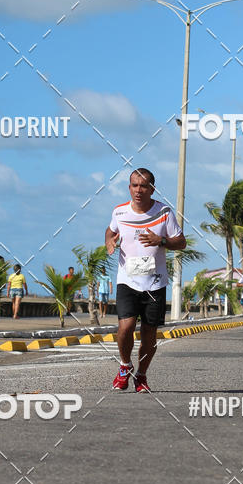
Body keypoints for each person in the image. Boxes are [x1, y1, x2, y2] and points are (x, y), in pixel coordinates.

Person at [105, 168, 186, 393]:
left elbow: (181, 242)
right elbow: (110, 232)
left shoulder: (164, 213)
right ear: (129, 187)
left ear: (152, 188)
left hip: (155, 283)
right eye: (134, 185)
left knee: (149, 337)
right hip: (127, 280)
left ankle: (141, 374)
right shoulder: (120, 212)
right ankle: (124, 366)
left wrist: (160, 241)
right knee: (126, 327)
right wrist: (110, 243)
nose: (138, 190)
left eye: (143, 186)